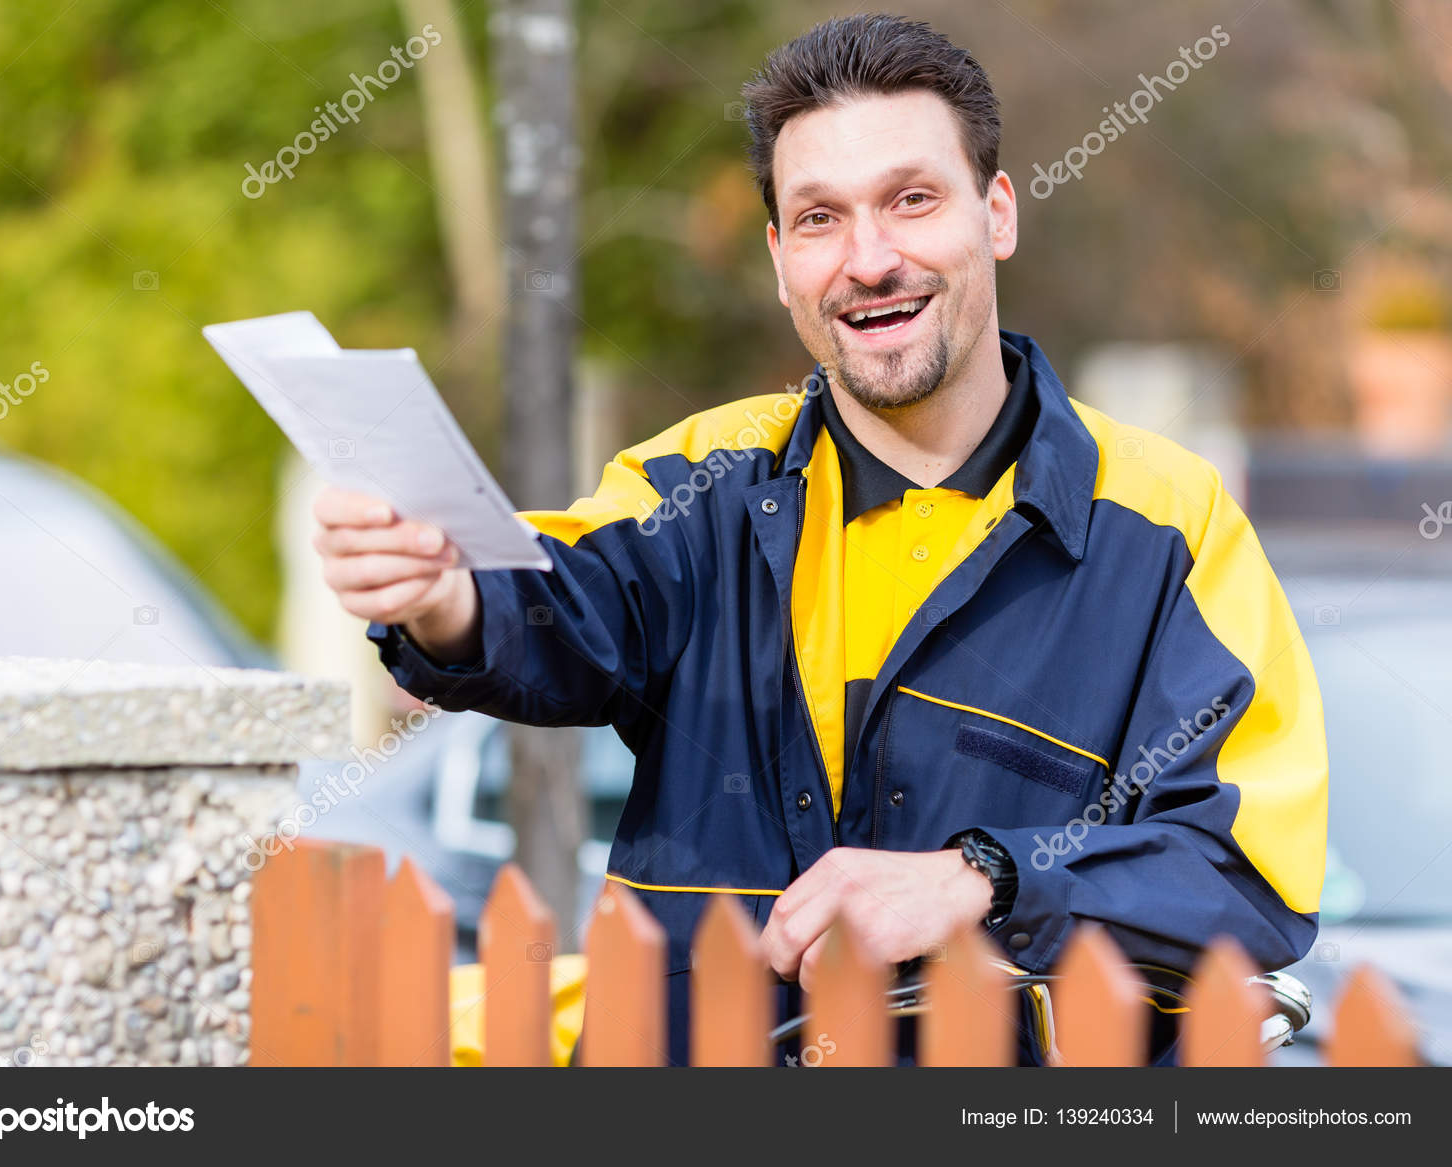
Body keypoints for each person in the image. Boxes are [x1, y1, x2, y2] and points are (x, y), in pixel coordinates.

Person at [312, 13, 1327, 1065]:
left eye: (911, 200)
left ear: (996, 213)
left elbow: (1245, 871)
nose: (868, 259)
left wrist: (983, 880)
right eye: (819, 219)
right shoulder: (701, 480)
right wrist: (441, 596)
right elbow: (563, 603)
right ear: (779, 258)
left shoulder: (1169, 524)